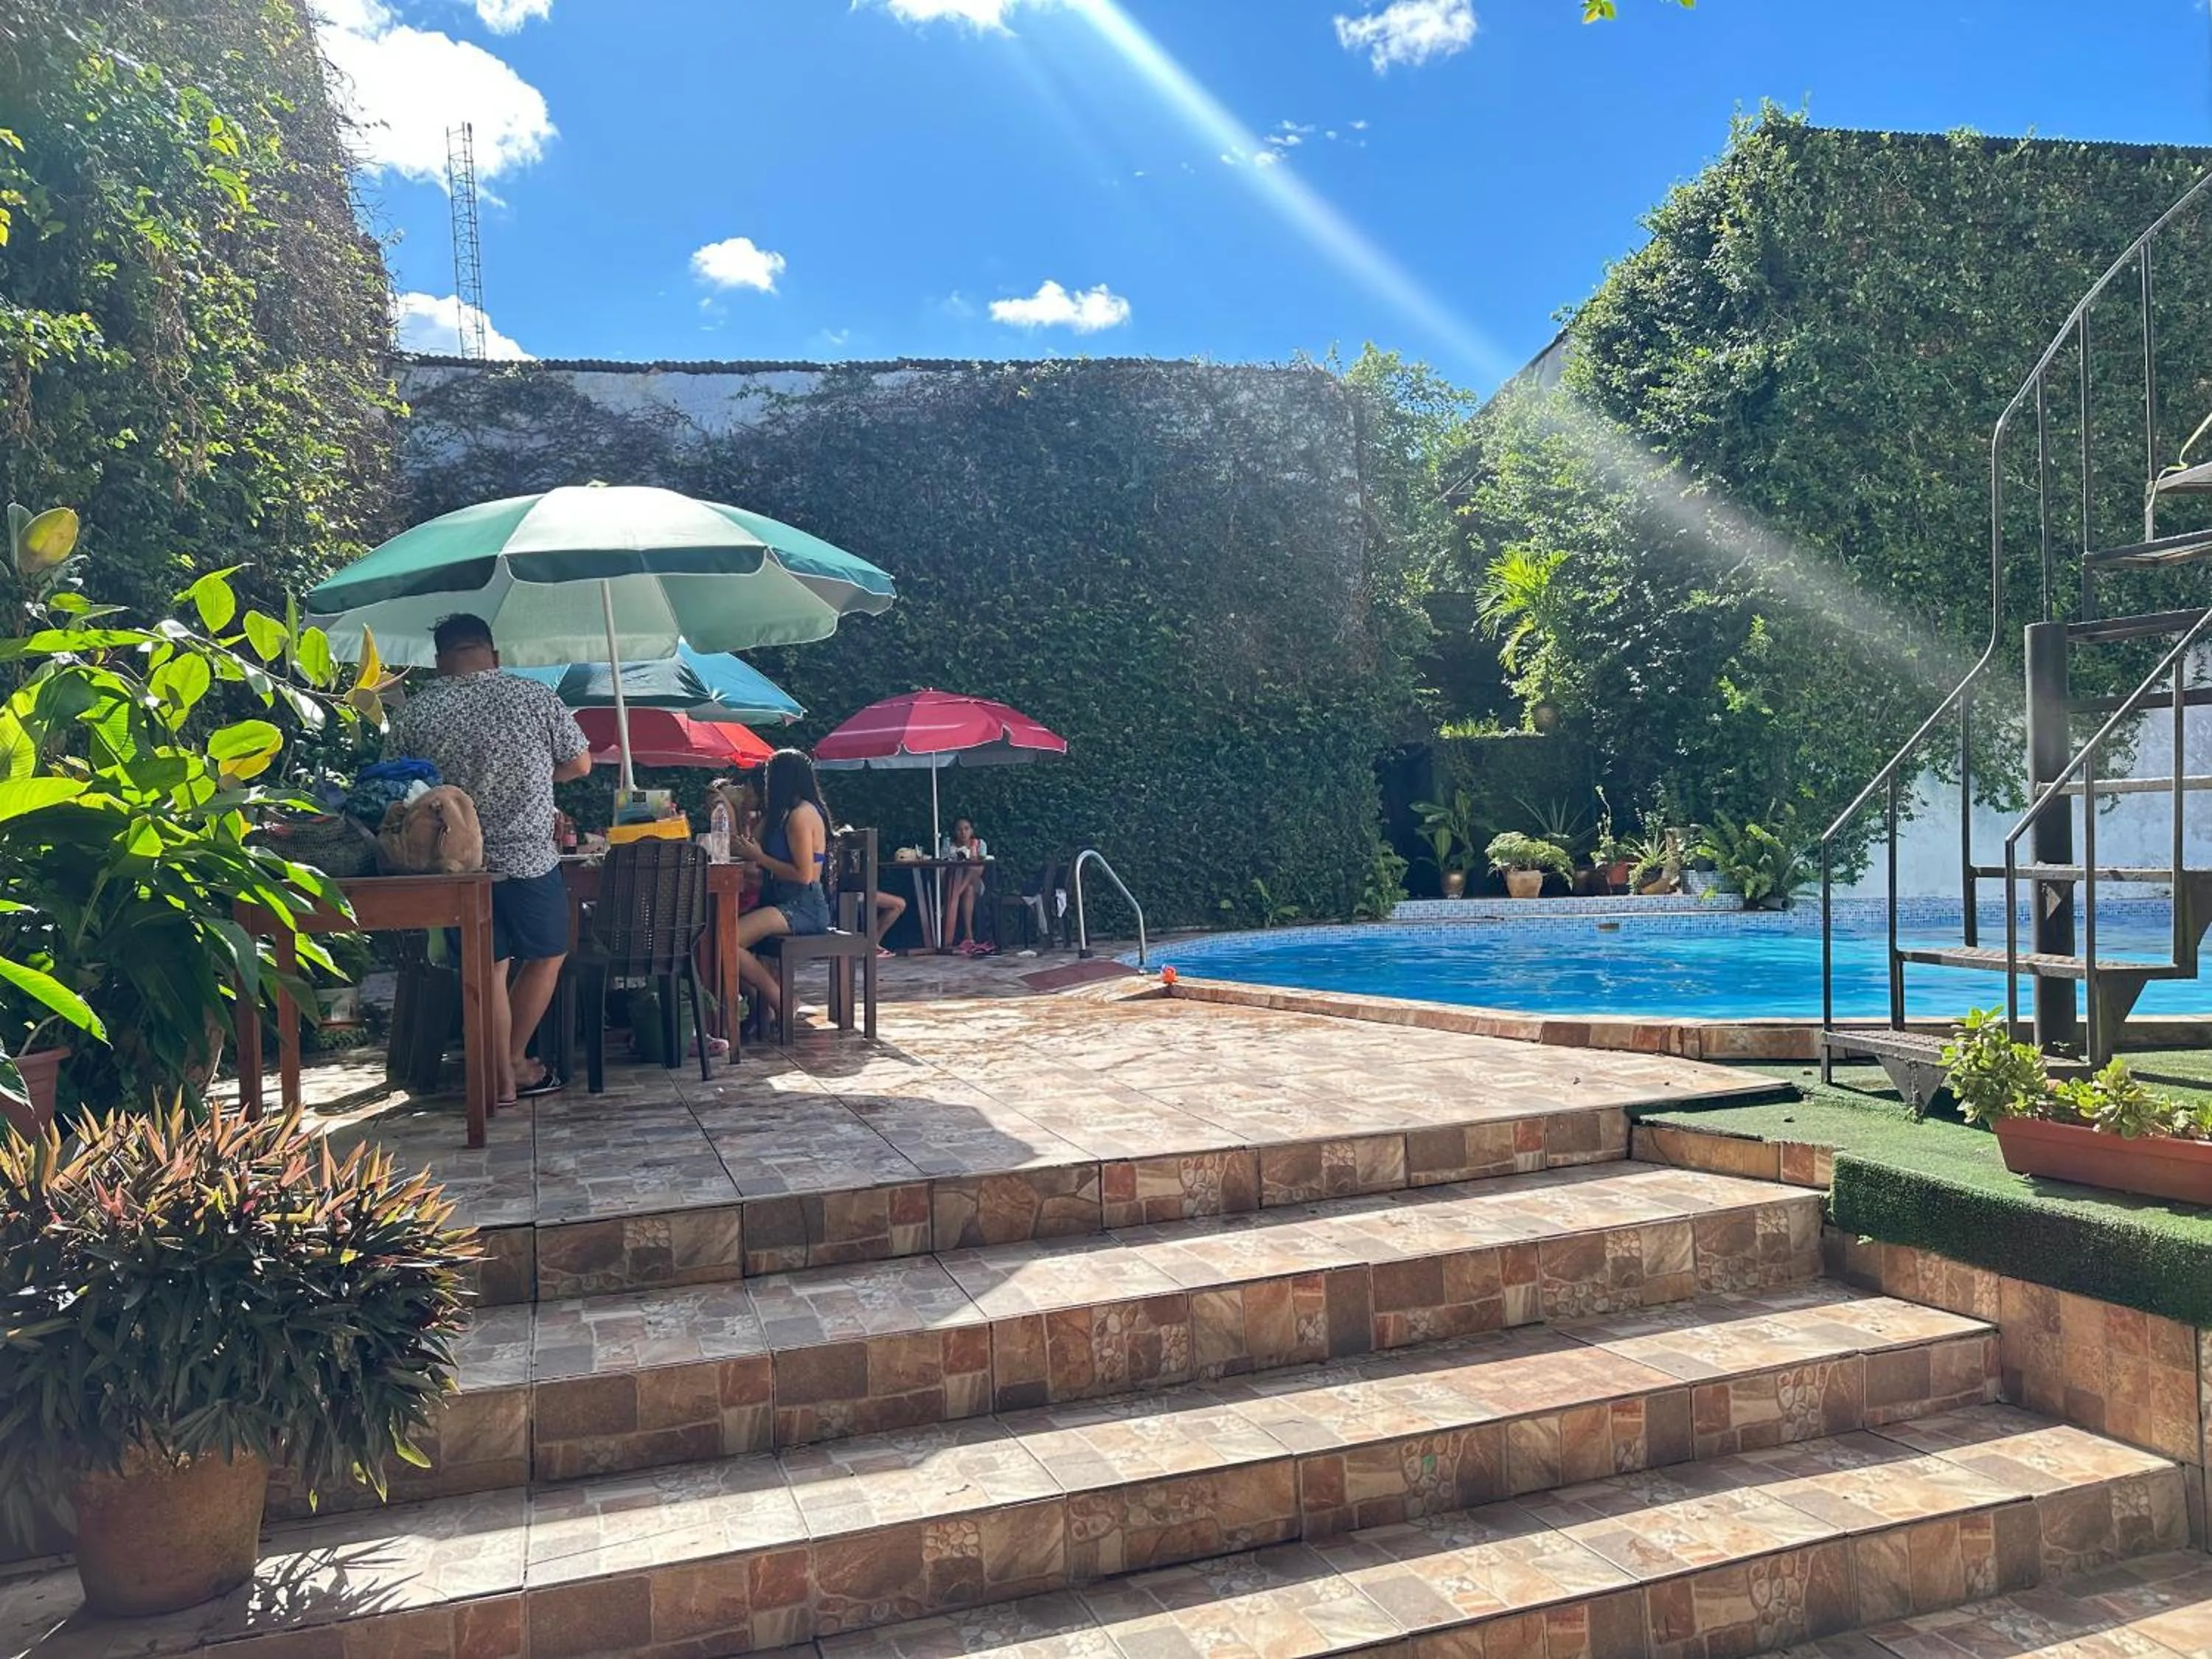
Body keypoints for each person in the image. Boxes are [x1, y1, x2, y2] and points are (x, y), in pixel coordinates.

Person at [385, 613, 591, 1103]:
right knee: (548, 954)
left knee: (488, 968)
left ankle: (501, 1081)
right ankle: (513, 1062)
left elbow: (395, 787)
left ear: (439, 661)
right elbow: (580, 763)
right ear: (494, 655)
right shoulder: (534, 696)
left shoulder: (415, 712)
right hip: (529, 856)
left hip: (454, 865)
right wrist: (536, 775)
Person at [730, 748, 833, 1033]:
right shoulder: (782, 814)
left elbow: (804, 875)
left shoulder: (801, 816)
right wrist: (746, 811)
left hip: (803, 905)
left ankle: (780, 1001)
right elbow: (748, 845)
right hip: (782, 900)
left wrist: (761, 858)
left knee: (728, 941)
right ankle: (762, 1003)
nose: (765, 784)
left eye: (768, 778)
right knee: (719, 937)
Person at [939, 816, 990, 955]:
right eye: (959, 830)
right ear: (954, 832)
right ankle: (969, 936)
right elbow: (943, 863)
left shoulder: (979, 844)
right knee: (968, 889)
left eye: (966, 829)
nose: (963, 833)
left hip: (976, 882)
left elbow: (980, 869)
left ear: (972, 830)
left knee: (973, 869)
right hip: (954, 883)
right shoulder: (949, 845)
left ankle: (954, 898)